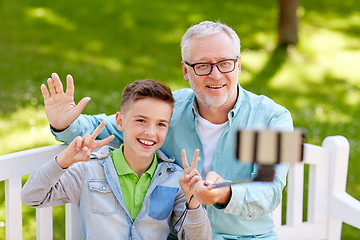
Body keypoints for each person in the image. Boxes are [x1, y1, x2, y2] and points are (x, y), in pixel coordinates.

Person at [44, 21, 293, 239]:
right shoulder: (168, 111)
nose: (216, 75)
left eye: (225, 63)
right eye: (203, 65)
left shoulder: (274, 118)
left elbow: (270, 191)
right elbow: (102, 128)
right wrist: (63, 123)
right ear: (186, 70)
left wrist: (223, 194)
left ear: (238, 66)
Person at [21, 79, 212, 240]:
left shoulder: (175, 180)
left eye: (160, 124)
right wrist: (63, 161)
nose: (150, 132)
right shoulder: (88, 170)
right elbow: (32, 197)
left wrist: (193, 202)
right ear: (120, 121)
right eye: (141, 120)